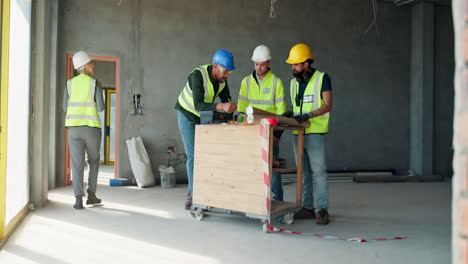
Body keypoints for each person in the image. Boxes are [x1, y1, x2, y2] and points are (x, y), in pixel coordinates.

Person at [175, 49, 237, 211]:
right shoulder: (197, 75)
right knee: (194, 155)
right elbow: (198, 105)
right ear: (215, 66)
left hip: (203, 116)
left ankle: (206, 192)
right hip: (187, 113)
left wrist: (231, 110)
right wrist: (221, 106)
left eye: (229, 72)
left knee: (207, 155)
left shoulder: (222, 80)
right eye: (225, 71)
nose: (227, 75)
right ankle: (192, 194)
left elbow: (226, 100)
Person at [284, 43, 332, 225]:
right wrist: (291, 114)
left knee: (319, 172)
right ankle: (307, 207)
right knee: (303, 172)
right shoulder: (293, 83)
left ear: (306, 63)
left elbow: (327, 105)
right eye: (292, 64)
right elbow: (298, 107)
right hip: (298, 132)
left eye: (295, 64)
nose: (292, 67)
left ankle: (322, 210)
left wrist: (310, 115)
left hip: (315, 132)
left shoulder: (322, 79)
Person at [238, 44, 286, 201]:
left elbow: (282, 112)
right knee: (252, 167)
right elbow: (241, 111)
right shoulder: (245, 82)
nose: (258, 68)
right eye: (256, 64)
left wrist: (277, 134)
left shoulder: (276, 83)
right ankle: (256, 201)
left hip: (271, 133)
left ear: (269, 63)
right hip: (251, 133)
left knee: (273, 167)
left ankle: (277, 200)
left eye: (262, 64)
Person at [64, 51, 105, 209]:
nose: (94, 65)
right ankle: (92, 195)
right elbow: (101, 108)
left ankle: (78, 199)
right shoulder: (95, 83)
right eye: (92, 62)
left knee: (77, 163)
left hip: (73, 129)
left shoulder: (69, 84)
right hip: (91, 128)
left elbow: (64, 106)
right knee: (93, 161)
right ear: (85, 66)